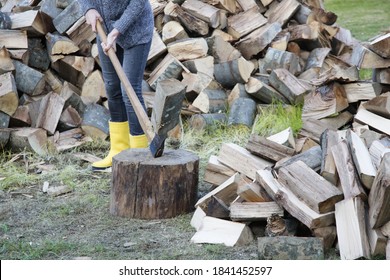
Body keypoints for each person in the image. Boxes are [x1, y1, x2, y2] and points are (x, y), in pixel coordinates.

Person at [77, 0, 154, 171]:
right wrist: (88, 9)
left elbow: (139, 2)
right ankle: (119, 150)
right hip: (105, 31)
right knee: (112, 88)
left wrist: (117, 31)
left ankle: (139, 153)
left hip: (136, 31)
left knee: (129, 91)